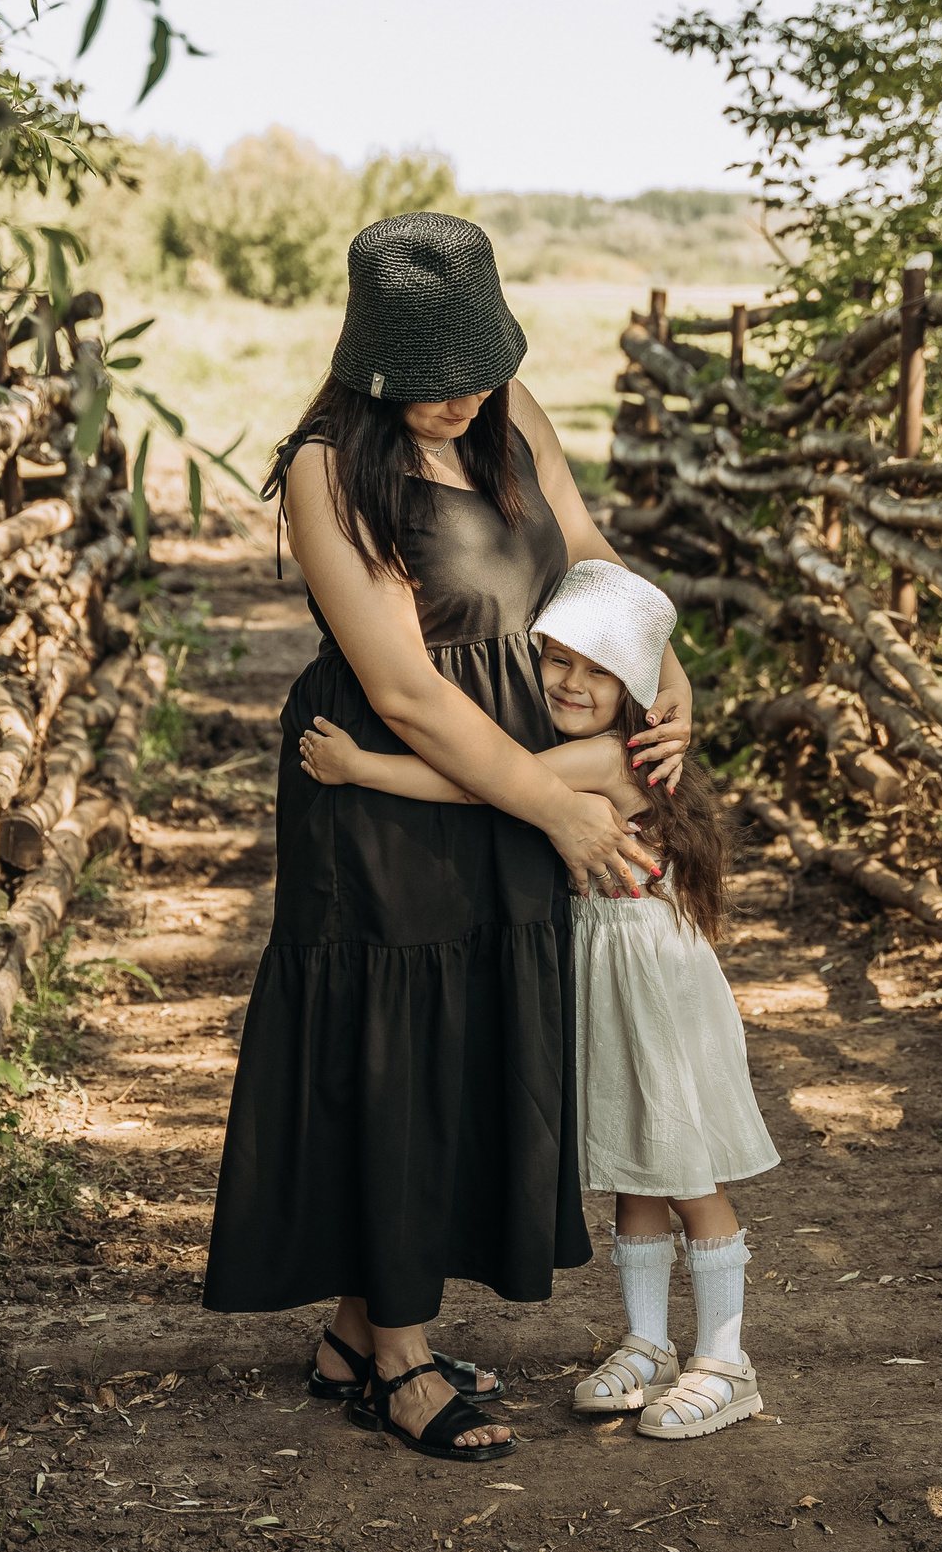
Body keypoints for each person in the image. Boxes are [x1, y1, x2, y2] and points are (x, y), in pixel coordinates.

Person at [201, 213, 697, 1463]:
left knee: (464, 1027)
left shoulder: (505, 406)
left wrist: (662, 658)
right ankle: (399, 1362)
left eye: (475, 372)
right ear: (370, 365)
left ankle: (351, 1332)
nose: (459, 401)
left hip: (501, 772)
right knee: (395, 1045)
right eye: (431, 386)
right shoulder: (328, 467)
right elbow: (409, 689)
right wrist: (560, 807)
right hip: (391, 790)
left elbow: (582, 555)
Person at [298, 559, 778, 1440]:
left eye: (598, 671)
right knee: (638, 1167)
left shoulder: (606, 756)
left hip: (658, 994)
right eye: (557, 660)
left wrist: (361, 765)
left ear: (634, 686)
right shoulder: (606, 743)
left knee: (686, 1172)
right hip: (620, 979)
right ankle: (646, 1343)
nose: (571, 682)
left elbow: (480, 781)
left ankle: (726, 1357)